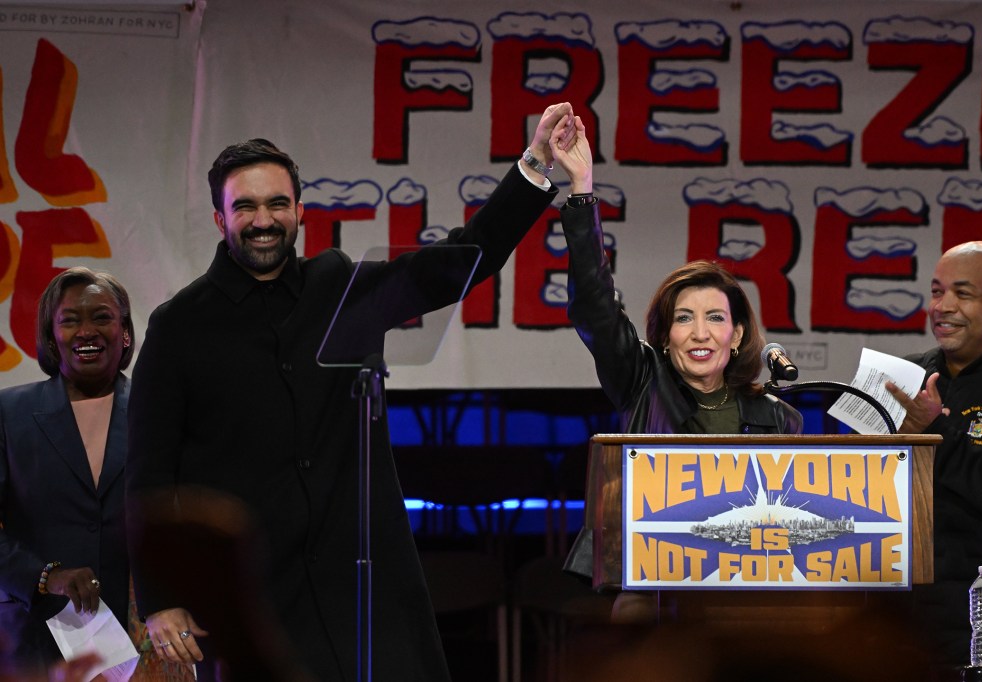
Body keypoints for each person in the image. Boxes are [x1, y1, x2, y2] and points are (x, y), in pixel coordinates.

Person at [126, 102, 583, 681]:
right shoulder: (180, 324)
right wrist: (161, 597)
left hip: (366, 582)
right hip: (255, 595)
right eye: (244, 206)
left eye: (276, 204)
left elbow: (459, 263)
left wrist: (534, 163)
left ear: (299, 213)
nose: (262, 219)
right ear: (220, 219)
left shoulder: (338, 284)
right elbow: (149, 472)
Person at [552, 117, 802, 619]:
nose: (701, 332)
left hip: (744, 592)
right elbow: (597, 306)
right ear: (665, 336)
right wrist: (582, 191)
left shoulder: (777, 416)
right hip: (655, 585)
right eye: (684, 319)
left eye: (715, 318)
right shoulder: (642, 379)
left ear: (736, 334)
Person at [886, 240, 982, 664]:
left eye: (963, 294)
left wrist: (935, 431)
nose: (942, 307)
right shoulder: (902, 377)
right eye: (936, 291)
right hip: (897, 626)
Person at [0, 267, 134, 675]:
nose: (86, 331)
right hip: (36, 639)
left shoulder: (160, 412)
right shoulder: (9, 413)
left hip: (142, 640)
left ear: (125, 332)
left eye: (102, 317)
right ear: (50, 336)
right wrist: (46, 576)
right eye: (71, 320)